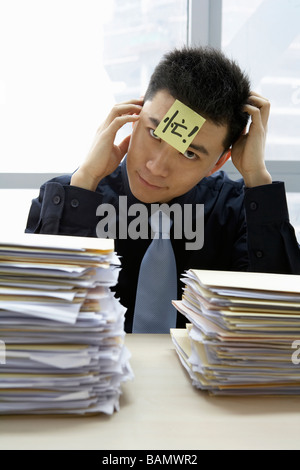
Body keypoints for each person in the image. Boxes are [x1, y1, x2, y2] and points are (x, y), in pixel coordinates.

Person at [25, 46, 300, 332]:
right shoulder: (69, 196)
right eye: (155, 133)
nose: (157, 167)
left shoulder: (238, 210)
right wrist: (85, 181)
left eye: (189, 153)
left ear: (218, 162)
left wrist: (256, 177)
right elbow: (37, 319)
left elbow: (279, 325)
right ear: (135, 114)